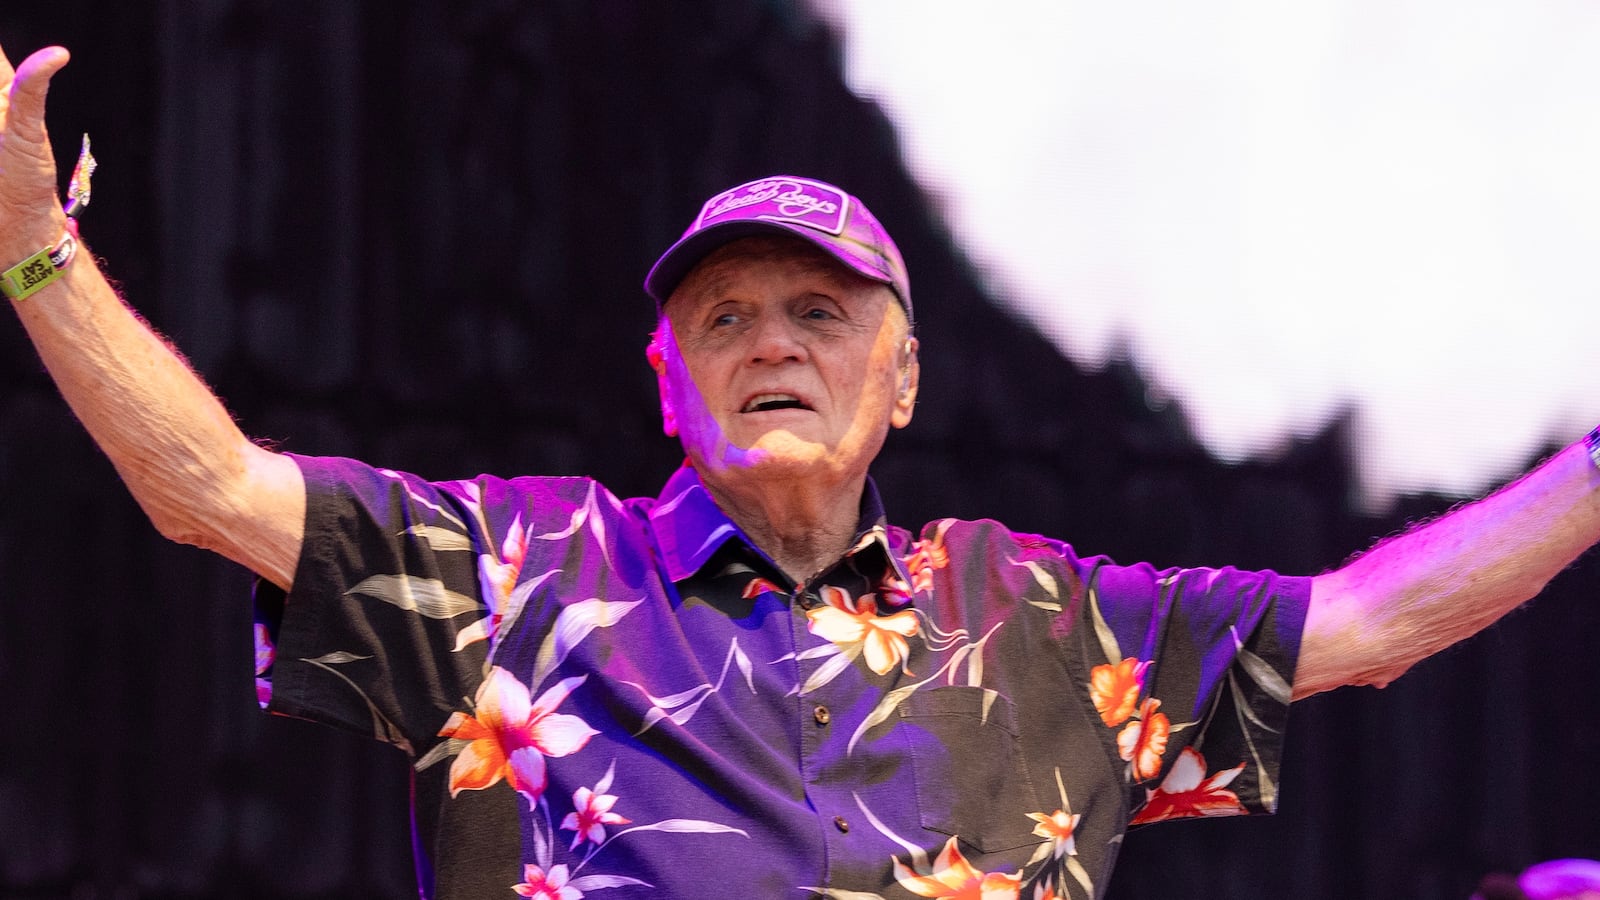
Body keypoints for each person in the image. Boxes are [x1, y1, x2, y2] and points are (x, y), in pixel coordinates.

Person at [5, 41, 1600, 900]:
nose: (771, 344)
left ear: (902, 378)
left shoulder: (1042, 618)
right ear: (666, 374)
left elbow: (1375, 617)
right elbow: (207, 486)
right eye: (727, 317)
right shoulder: (518, 576)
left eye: (821, 315)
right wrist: (36, 262)